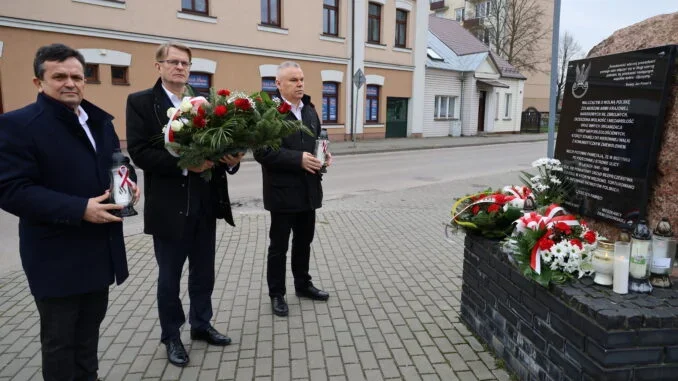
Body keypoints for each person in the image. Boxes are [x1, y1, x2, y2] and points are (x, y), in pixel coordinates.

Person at [0, 43, 136, 381]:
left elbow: (118, 163)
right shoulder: (18, 125)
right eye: (59, 76)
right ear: (39, 82)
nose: (70, 83)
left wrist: (130, 182)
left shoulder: (99, 121)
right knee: (60, 344)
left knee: (88, 339)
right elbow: (11, 190)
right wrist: (78, 208)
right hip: (56, 255)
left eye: (77, 76)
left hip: (99, 249)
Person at [126, 42, 244, 367]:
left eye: (185, 63)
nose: (180, 67)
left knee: (204, 273)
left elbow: (220, 144)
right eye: (173, 62)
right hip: (169, 208)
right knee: (170, 278)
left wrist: (231, 159)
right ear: (159, 66)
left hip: (206, 204)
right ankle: (171, 335)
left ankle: (201, 325)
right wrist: (184, 164)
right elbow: (140, 152)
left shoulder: (203, 102)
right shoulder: (141, 102)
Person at [254, 61, 332, 317]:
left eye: (301, 79)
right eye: (293, 80)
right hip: (282, 191)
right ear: (278, 84)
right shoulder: (268, 111)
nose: (299, 84)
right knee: (279, 246)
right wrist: (297, 159)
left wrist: (324, 155)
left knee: (304, 241)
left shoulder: (309, 110)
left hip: (308, 189)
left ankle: (303, 284)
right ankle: (277, 294)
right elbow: (262, 151)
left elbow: (319, 139)